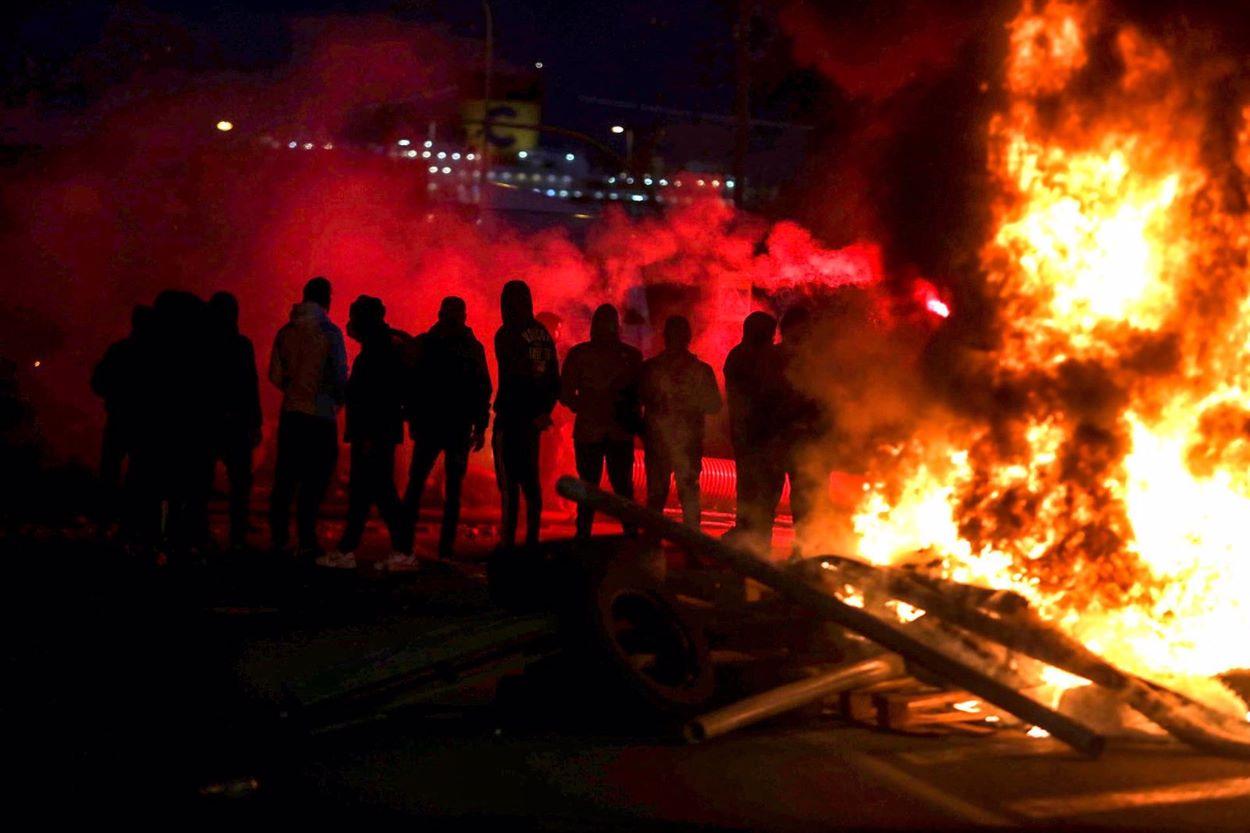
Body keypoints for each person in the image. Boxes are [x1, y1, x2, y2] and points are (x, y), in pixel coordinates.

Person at [319, 296, 411, 570]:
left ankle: (398, 551)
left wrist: (368, 436)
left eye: (355, 316)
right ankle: (354, 548)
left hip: (372, 434)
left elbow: (374, 397)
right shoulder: (384, 346)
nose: (350, 323)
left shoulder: (377, 352)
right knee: (369, 494)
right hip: (376, 433)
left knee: (377, 493)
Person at [404, 296, 492, 560]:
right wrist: (480, 424)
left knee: (418, 485)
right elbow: (482, 389)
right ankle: (444, 548)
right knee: (451, 490)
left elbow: (411, 383)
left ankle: (405, 542)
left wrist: (412, 417)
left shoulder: (428, 344)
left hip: (434, 426)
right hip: (456, 427)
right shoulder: (471, 348)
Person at [268, 276, 348, 559]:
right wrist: (334, 401)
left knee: (286, 477)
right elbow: (340, 376)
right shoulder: (330, 333)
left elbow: (275, 375)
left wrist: (294, 390)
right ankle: (306, 539)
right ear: (327, 299)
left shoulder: (285, 332)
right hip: (320, 416)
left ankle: (278, 537)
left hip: (291, 413)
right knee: (315, 480)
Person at [559, 303, 642, 539]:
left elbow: (640, 394)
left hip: (610, 430)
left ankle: (621, 535)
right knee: (596, 487)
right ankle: (595, 535)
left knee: (617, 487)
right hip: (597, 430)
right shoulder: (623, 356)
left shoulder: (627, 356)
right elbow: (565, 393)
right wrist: (587, 406)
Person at [493, 280, 560, 549]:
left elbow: (514, 376)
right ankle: (532, 539)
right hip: (533, 422)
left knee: (509, 483)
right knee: (531, 482)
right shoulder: (542, 333)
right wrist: (543, 411)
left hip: (511, 418)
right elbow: (554, 378)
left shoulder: (507, 333)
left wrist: (525, 410)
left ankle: (508, 541)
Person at [640, 315, 722, 528]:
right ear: (689, 338)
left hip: (661, 442)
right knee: (688, 495)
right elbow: (714, 405)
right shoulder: (700, 371)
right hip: (686, 443)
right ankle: (692, 546)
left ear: (664, 337)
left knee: (658, 495)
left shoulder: (651, 368)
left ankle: (652, 545)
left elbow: (636, 400)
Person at [207, 292, 262, 551]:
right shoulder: (241, 345)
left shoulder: (202, 345)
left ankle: (199, 530)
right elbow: (250, 386)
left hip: (209, 420)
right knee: (240, 483)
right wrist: (255, 422)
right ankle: (237, 534)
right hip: (237, 423)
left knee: (202, 479)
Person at [90, 305, 153, 530]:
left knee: (111, 469)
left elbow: (98, 382)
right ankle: (130, 524)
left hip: (119, 418)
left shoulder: (120, 350)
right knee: (137, 472)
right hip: (142, 423)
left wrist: (115, 396)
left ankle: (104, 522)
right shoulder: (153, 356)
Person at [723, 311, 781, 546]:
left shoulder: (741, 356)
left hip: (758, 435)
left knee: (754, 490)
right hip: (756, 435)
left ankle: (753, 538)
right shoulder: (746, 358)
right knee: (757, 490)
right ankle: (753, 540)